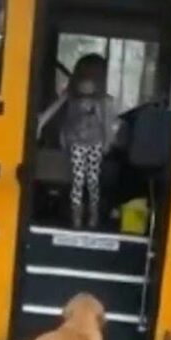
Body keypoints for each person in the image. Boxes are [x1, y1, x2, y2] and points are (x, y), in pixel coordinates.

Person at [60, 54, 115, 230]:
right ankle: (77, 216)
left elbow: (106, 121)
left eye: (91, 81)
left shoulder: (102, 101)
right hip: (77, 142)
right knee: (78, 179)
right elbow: (67, 120)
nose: (86, 85)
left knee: (92, 179)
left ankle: (93, 215)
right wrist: (63, 136)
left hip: (95, 142)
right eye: (84, 80)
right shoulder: (72, 100)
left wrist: (107, 141)